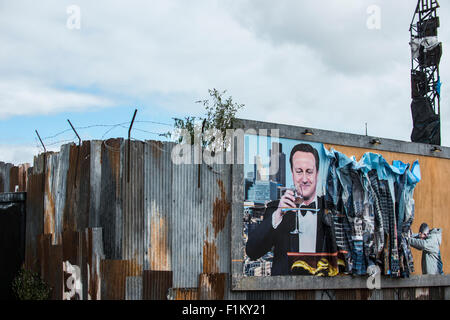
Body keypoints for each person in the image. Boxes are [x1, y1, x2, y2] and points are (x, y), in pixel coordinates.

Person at [246, 143, 337, 276]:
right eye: (299, 171)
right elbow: (252, 252)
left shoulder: (329, 209)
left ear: (317, 173)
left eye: (309, 172)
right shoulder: (276, 208)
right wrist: (278, 215)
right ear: (292, 173)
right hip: (285, 292)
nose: (304, 179)